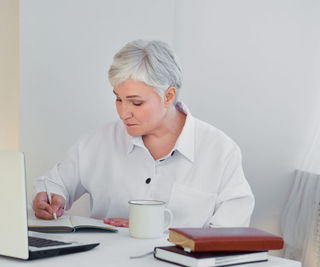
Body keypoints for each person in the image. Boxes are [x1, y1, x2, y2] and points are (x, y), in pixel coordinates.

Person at [32, 40, 254, 228]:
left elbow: (229, 237)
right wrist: (50, 198)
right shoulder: (97, 143)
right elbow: (54, 184)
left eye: (136, 102)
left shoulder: (220, 151)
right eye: (118, 99)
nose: (123, 113)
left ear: (168, 96)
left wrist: (156, 232)